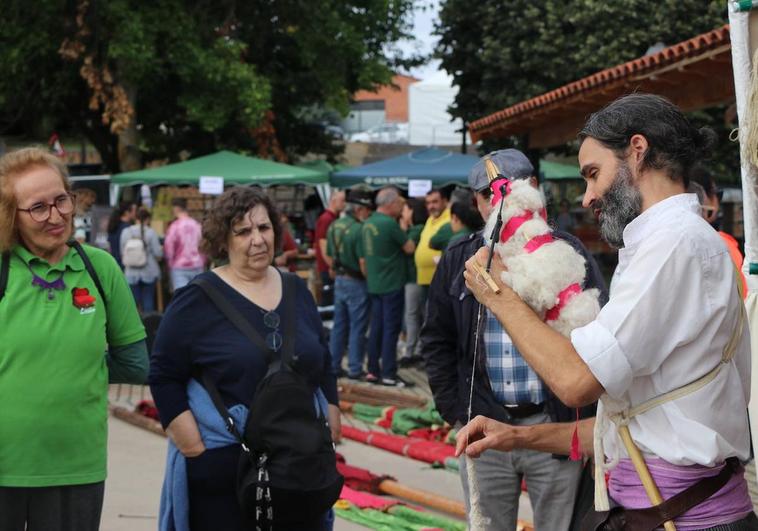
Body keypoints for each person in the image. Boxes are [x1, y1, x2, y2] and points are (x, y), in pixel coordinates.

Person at [459, 94, 755, 529]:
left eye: (593, 174)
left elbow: (577, 382)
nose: (587, 196)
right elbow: (631, 425)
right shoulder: (664, 243)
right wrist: (517, 437)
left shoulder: (675, 243)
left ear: (637, 151)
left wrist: (498, 294)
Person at [420, 148, 607, 530]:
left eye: (506, 190)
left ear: (533, 190)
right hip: (483, 425)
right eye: (487, 195)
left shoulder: (567, 252)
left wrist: (586, 423)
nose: (497, 203)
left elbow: (600, 336)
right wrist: (456, 412)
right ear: (477, 202)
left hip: (554, 425)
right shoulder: (460, 258)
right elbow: (435, 339)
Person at [149, 186, 339, 531]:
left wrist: (332, 417)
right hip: (227, 471)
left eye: (264, 228)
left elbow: (323, 360)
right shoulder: (195, 300)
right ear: (223, 240)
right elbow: (163, 373)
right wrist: (189, 441)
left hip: (300, 466)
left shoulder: (297, 290)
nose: (258, 240)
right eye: (243, 231)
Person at [0, 147, 148, 531]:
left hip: (76, 469)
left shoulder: (100, 268)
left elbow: (136, 363)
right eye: (38, 208)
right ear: (9, 215)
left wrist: (83, 368)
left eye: (62, 200)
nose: (56, 216)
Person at [362, 186, 416, 386]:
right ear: (391, 204)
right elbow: (409, 248)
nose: (401, 207)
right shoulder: (390, 224)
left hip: (374, 284)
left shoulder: (367, 223)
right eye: (400, 204)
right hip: (392, 284)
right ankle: (389, 373)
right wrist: (407, 225)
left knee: (376, 328)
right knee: (390, 330)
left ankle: (373, 370)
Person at [326, 188, 374, 379]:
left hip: (339, 279)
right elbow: (363, 262)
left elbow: (329, 256)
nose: (367, 213)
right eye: (366, 209)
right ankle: (354, 368)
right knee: (357, 326)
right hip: (356, 281)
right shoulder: (359, 229)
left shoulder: (334, 225)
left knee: (339, 325)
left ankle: (333, 365)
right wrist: (370, 279)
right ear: (358, 209)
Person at [690, 164, 747, 298]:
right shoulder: (723, 244)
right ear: (705, 197)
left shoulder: (660, 240)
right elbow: (743, 295)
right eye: (717, 194)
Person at [398, 197, 428, 368]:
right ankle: (415, 349)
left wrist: (402, 230)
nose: (402, 213)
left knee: (412, 315)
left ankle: (411, 352)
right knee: (416, 315)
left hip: (414, 278)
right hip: (414, 278)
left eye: (405, 209)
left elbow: (406, 247)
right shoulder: (415, 229)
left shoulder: (416, 230)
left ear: (412, 211)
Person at [121, 207, 163, 313]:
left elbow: (122, 252)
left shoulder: (126, 232)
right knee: (148, 299)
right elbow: (158, 253)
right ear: (147, 219)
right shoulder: (151, 232)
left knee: (132, 302)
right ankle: (148, 325)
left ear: (136, 218)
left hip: (131, 272)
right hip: (149, 270)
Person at [164, 197, 205, 291]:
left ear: (176, 209)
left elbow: (169, 249)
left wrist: (170, 265)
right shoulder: (197, 225)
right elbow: (203, 246)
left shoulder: (174, 226)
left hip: (180, 266)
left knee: (181, 298)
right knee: (197, 296)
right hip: (197, 265)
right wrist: (202, 261)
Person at [314, 190, 346, 306]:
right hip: (328, 268)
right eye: (342, 200)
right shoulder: (326, 219)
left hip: (330, 267)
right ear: (333, 200)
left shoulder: (332, 218)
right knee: (329, 302)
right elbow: (323, 245)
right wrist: (332, 266)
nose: (344, 204)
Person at [106, 200, 136, 268]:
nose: (136, 213)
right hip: (124, 265)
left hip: (114, 263)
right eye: (134, 211)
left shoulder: (113, 225)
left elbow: (109, 247)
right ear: (127, 212)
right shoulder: (128, 228)